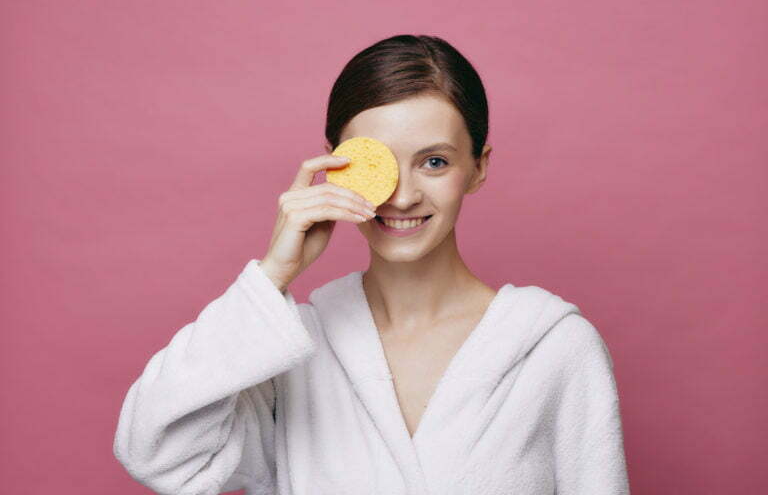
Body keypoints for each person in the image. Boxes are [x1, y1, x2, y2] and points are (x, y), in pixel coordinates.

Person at [113, 34, 630, 494]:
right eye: (374, 163)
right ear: (336, 165)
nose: (402, 196)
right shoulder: (291, 350)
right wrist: (272, 276)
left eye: (434, 161)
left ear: (478, 168)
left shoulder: (554, 347)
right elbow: (157, 454)